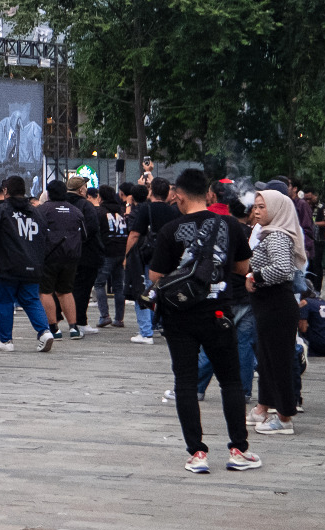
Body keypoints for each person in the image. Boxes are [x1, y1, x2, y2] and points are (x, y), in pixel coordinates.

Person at [149, 168, 259, 473]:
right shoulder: (230, 225)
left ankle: (197, 454)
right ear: (208, 195)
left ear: (179, 196)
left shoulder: (170, 230)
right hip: (218, 312)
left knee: (185, 382)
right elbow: (243, 267)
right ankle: (238, 449)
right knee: (231, 381)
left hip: (178, 315)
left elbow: (156, 276)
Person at [247, 189, 304, 436]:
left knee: (278, 361)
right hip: (268, 305)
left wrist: (254, 276)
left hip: (277, 305)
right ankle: (264, 406)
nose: (257, 211)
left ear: (277, 210)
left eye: (262, 207)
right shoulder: (268, 233)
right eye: (255, 206)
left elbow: (282, 269)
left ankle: (284, 416)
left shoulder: (278, 235)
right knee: (267, 359)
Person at [0, 176, 54, 352]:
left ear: (6, 190)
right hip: (33, 265)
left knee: (4, 301)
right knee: (31, 299)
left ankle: (5, 340)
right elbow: (45, 239)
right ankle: (44, 332)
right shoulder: (36, 212)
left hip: (6, 265)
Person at [124, 178, 178, 345]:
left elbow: (134, 234)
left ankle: (146, 331)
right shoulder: (173, 211)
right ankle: (162, 326)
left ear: (151, 191)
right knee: (165, 291)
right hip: (169, 256)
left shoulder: (146, 209)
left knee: (144, 290)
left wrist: (127, 256)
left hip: (148, 255)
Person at [36, 179, 86, 340]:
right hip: (71, 256)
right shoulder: (76, 211)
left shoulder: (42, 210)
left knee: (46, 292)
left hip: (49, 257)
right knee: (66, 291)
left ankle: (54, 328)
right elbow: (84, 235)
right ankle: (73, 328)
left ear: (48, 194)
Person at [65, 175, 107, 333]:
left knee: (65, 289)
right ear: (81, 190)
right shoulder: (85, 205)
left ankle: (59, 322)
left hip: (63, 253)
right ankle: (80, 321)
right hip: (87, 254)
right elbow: (92, 228)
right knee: (83, 289)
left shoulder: (61, 204)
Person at [94, 185, 129, 328]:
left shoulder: (100, 212)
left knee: (99, 283)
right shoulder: (121, 211)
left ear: (100, 197)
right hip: (121, 251)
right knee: (118, 286)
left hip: (107, 252)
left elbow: (96, 232)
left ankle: (104, 316)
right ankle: (119, 319)